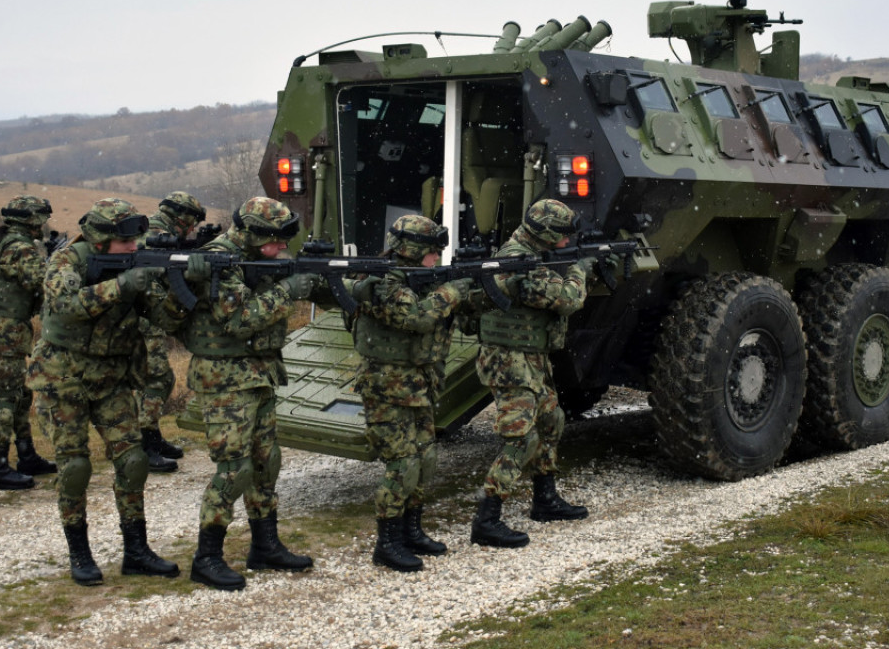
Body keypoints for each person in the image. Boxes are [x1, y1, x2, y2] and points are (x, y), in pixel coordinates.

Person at [28, 198, 191, 586]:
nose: (134, 247)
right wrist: (121, 286)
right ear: (101, 241)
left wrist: (181, 283)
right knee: (75, 467)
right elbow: (66, 305)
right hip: (61, 377)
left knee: (133, 460)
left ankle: (136, 550)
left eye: (137, 240)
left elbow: (166, 318)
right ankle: (79, 552)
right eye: (126, 243)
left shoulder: (136, 264)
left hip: (112, 378)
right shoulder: (67, 261)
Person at [180, 197, 324, 591]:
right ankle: (206, 557)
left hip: (259, 372)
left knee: (266, 463)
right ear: (251, 234)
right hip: (226, 378)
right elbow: (240, 320)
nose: (282, 249)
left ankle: (265, 546)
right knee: (235, 470)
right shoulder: (218, 261)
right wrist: (288, 290)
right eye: (275, 242)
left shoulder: (259, 256)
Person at [470, 198, 599, 548]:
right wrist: (580, 268)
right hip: (508, 358)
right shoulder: (519, 261)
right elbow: (569, 299)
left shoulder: (529, 252)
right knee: (522, 437)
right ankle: (487, 518)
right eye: (561, 236)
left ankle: (544, 499)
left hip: (529, 355)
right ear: (545, 233)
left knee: (551, 421)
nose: (566, 242)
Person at [349, 215, 472, 572]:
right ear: (415, 251)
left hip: (419, 383)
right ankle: (387, 543)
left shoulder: (416, 279)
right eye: (433, 253)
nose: (437, 259)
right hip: (387, 386)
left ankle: (411, 530)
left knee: (424, 460)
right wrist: (453, 291)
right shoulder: (379, 281)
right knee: (402, 464)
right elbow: (416, 317)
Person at [0, 195, 58, 490]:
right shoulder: (20, 247)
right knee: (8, 398)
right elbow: (43, 284)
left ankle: (26, 456)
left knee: (20, 394)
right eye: (40, 218)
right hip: (4, 332)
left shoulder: (6, 241)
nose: (43, 224)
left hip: (2, 329)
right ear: (31, 220)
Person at [136, 190, 208, 472]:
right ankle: (144, 445)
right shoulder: (155, 234)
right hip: (144, 318)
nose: (192, 229)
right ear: (183, 218)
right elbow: (159, 276)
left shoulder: (161, 232)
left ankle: (152, 437)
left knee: (157, 379)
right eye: (192, 223)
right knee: (157, 379)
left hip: (149, 315)